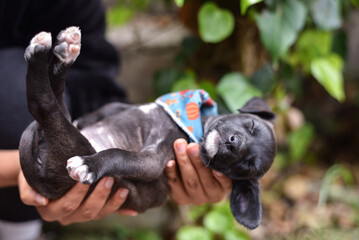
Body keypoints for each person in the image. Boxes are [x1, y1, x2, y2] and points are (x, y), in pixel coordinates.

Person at [0, 0, 231, 239]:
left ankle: (17, 232)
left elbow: (98, 92)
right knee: (24, 102)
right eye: (251, 126)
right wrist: (16, 169)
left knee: (39, 109)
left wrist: (185, 180)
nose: (235, 141)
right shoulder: (189, 117)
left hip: (85, 156)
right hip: (80, 154)